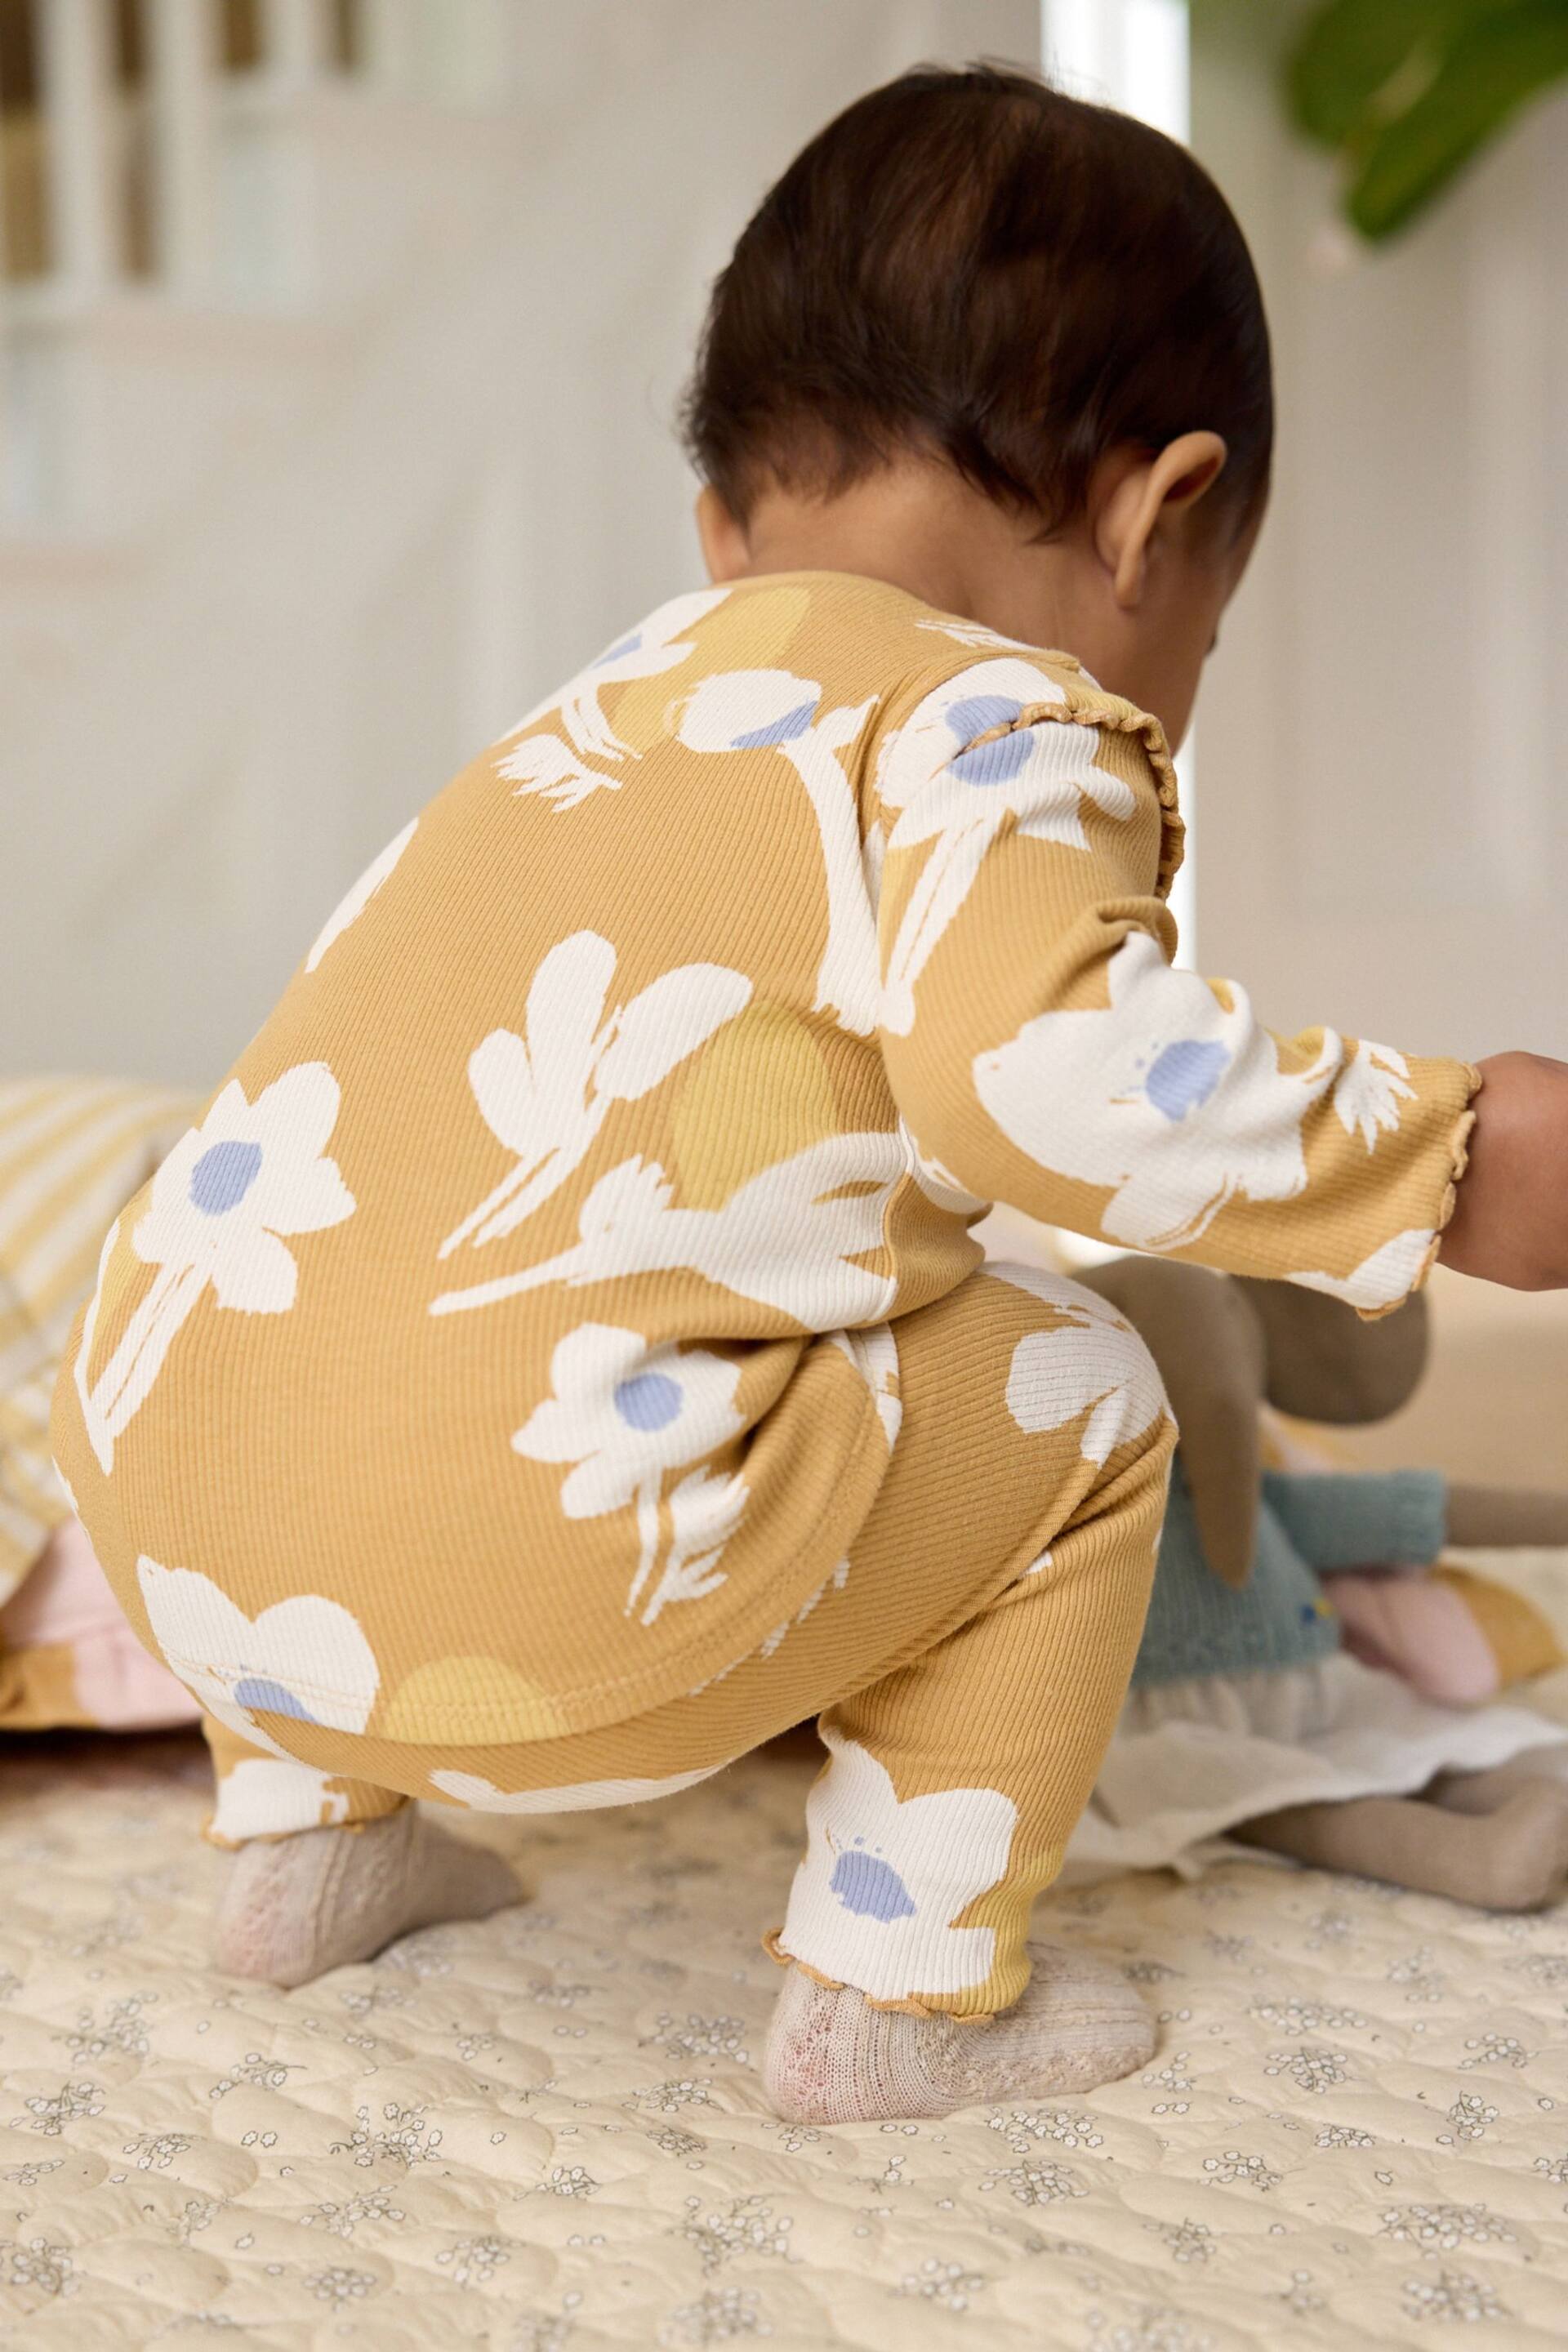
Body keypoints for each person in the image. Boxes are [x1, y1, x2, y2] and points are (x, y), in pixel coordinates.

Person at [51, 66, 1568, 2125]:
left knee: (328, 1296)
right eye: (1195, 645)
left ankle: (308, 1855)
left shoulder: (589, 721)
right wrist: (1454, 1162)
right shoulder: (998, 714)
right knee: (1085, 1389)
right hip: (522, 1579)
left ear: (722, 529)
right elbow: (1065, 1094)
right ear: (1158, 515)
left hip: (176, 1508)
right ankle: (898, 1993)